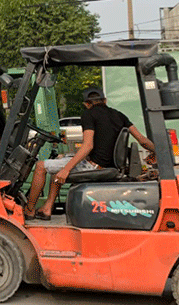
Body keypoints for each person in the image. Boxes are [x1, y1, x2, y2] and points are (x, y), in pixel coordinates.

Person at [23, 87, 155, 220]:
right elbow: (142, 140)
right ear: (105, 100)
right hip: (107, 165)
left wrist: (67, 169)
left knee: (40, 166)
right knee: (57, 170)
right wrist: (157, 153)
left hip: (93, 166)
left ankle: (29, 211)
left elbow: (88, 146)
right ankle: (46, 209)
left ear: (86, 104)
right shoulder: (120, 115)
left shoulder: (88, 114)